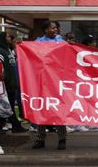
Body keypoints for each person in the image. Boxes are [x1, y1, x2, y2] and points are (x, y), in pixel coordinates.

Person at [32, 20, 68, 149]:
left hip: (57, 82)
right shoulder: (38, 43)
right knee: (41, 109)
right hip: (42, 82)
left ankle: (62, 139)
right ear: (46, 30)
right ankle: (40, 139)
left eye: (56, 28)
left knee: (58, 110)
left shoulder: (62, 42)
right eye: (52, 28)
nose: (55, 30)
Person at [0, 32, 26, 133]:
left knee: (8, 106)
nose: (9, 38)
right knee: (8, 107)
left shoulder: (7, 50)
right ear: (2, 39)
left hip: (11, 84)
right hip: (6, 85)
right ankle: (15, 126)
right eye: (7, 36)